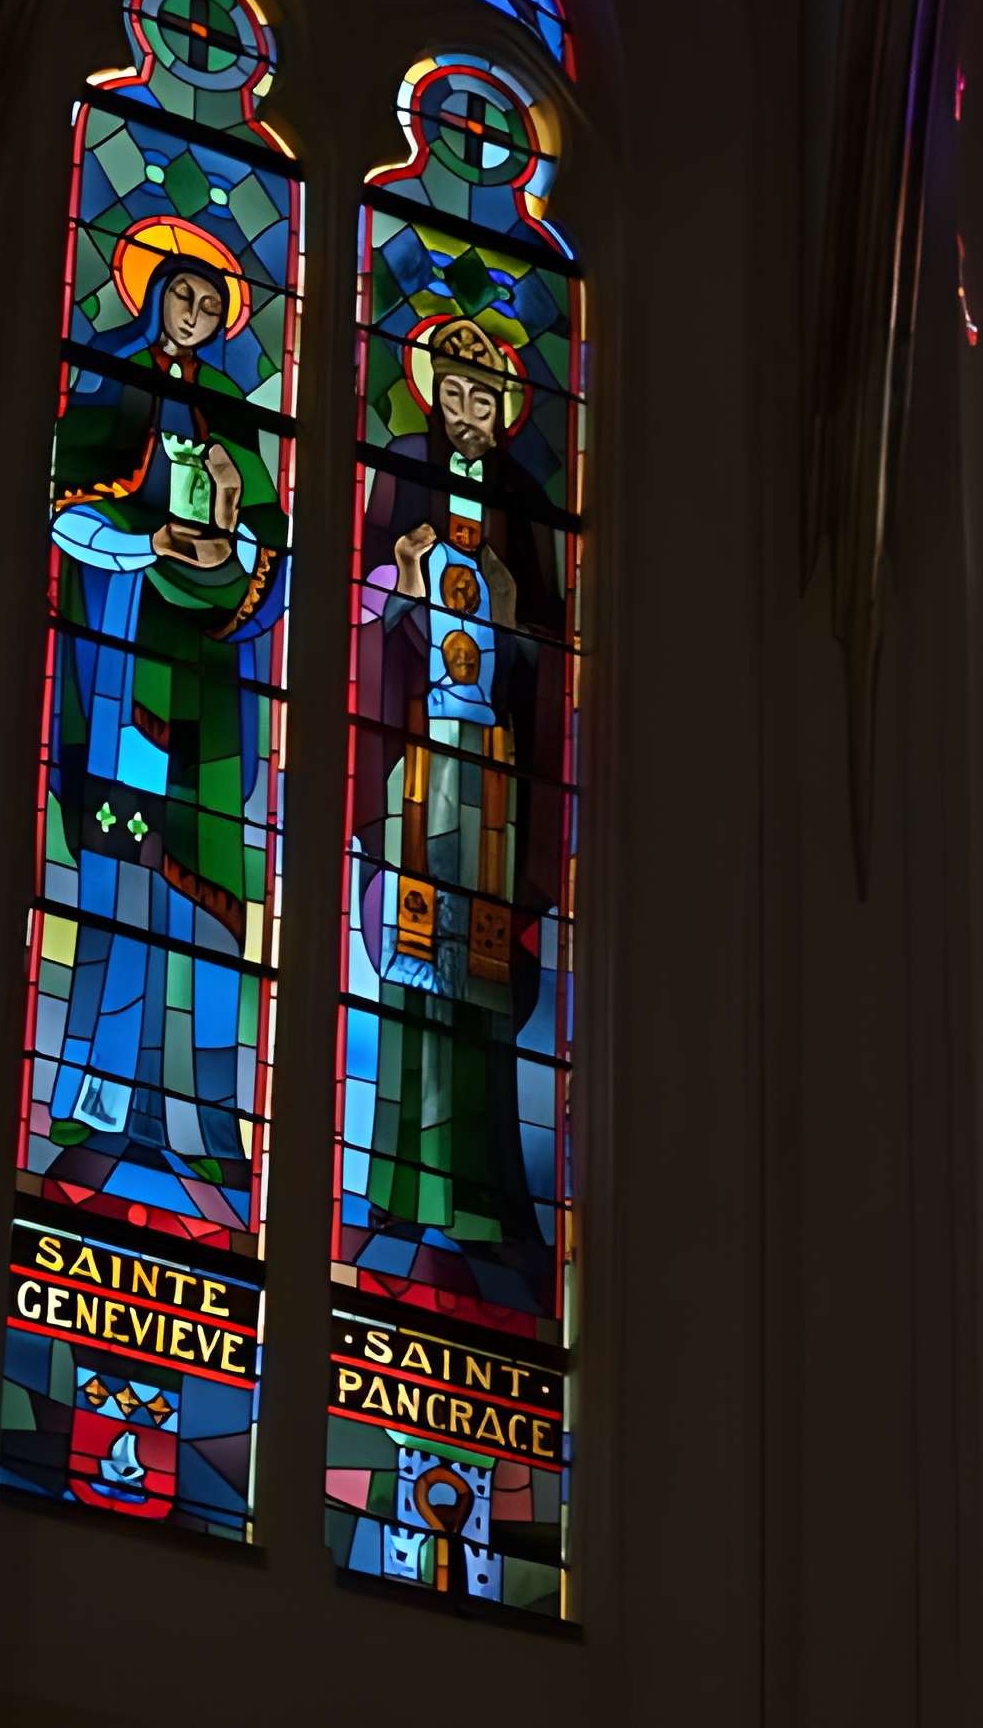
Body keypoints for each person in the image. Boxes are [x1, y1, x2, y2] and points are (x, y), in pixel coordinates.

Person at [40, 217, 286, 1216]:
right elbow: (64, 506)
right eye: (182, 296)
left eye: (211, 304)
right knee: (120, 883)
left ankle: (196, 1115)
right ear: (153, 298)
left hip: (211, 694)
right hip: (122, 669)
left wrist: (229, 544)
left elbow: (272, 553)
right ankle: (101, 1098)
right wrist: (151, 550)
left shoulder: (230, 409)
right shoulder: (112, 381)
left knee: (204, 898)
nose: (195, 314)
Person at [345, 313, 565, 1281]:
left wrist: (513, 616)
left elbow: (550, 654)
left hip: (495, 771)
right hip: (422, 764)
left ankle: (480, 1193)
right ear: (434, 395)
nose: (470, 412)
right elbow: (364, 606)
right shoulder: (400, 473)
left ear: (504, 411)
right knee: (412, 971)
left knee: (479, 977)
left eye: (488, 398)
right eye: (457, 393)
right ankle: (402, 1182)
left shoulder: (523, 502)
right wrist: (401, 578)